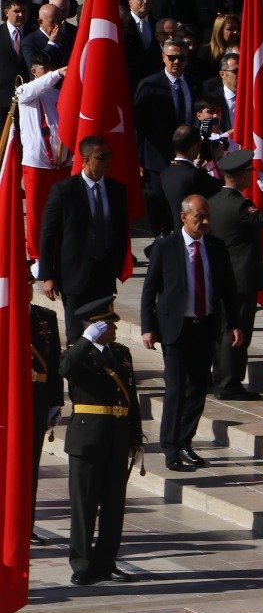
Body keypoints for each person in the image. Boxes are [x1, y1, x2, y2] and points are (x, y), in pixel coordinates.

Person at [140, 195, 242, 473]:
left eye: (207, 216)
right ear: (184, 217)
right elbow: (150, 290)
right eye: (199, 217)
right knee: (175, 389)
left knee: (197, 388)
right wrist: (147, 327)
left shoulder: (216, 247)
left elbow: (228, 290)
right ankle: (170, 446)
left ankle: (185, 440)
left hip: (205, 326)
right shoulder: (165, 247)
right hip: (176, 328)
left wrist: (234, 323)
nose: (205, 222)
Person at [61, 297, 144, 587]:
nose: (115, 328)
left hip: (117, 435)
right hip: (87, 437)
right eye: (108, 324)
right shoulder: (78, 353)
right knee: (84, 503)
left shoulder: (120, 353)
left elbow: (130, 397)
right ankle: (82, 563)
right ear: (95, 327)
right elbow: (65, 369)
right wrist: (85, 339)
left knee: (113, 504)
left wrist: (135, 436)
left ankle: (106, 561)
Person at [39, 136, 129, 344]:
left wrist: (118, 263)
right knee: (75, 333)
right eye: (101, 157)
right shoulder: (64, 191)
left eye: (109, 155)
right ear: (86, 160)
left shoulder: (117, 190)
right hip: (74, 275)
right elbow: (48, 234)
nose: (108, 161)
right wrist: (47, 275)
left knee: (103, 332)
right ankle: (76, 375)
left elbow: (120, 230)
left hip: (104, 273)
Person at [208, 150, 263, 400]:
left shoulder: (214, 200)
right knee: (237, 332)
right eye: (248, 172)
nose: (251, 176)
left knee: (223, 329)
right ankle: (230, 383)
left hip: (220, 276)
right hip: (239, 278)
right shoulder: (240, 204)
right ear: (238, 177)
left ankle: (221, 377)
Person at [13, 55, 69, 261]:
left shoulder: (60, 94)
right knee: (37, 213)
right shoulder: (24, 92)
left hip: (62, 162)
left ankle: (60, 251)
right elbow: (30, 90)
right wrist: (56, 74)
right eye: (44, 69)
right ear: (34, 71)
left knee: (62, 211)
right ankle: (38, 256)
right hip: (37, 163)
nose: (49, 73)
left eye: (51, 68)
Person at [28, 275, 63, 544]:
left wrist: (55, 402)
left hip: (37, 398)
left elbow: (52, 364)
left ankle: (25, 525)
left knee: (30, 467)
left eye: (29, 283)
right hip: (7, 400)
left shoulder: (45, 317)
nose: (27, 288)